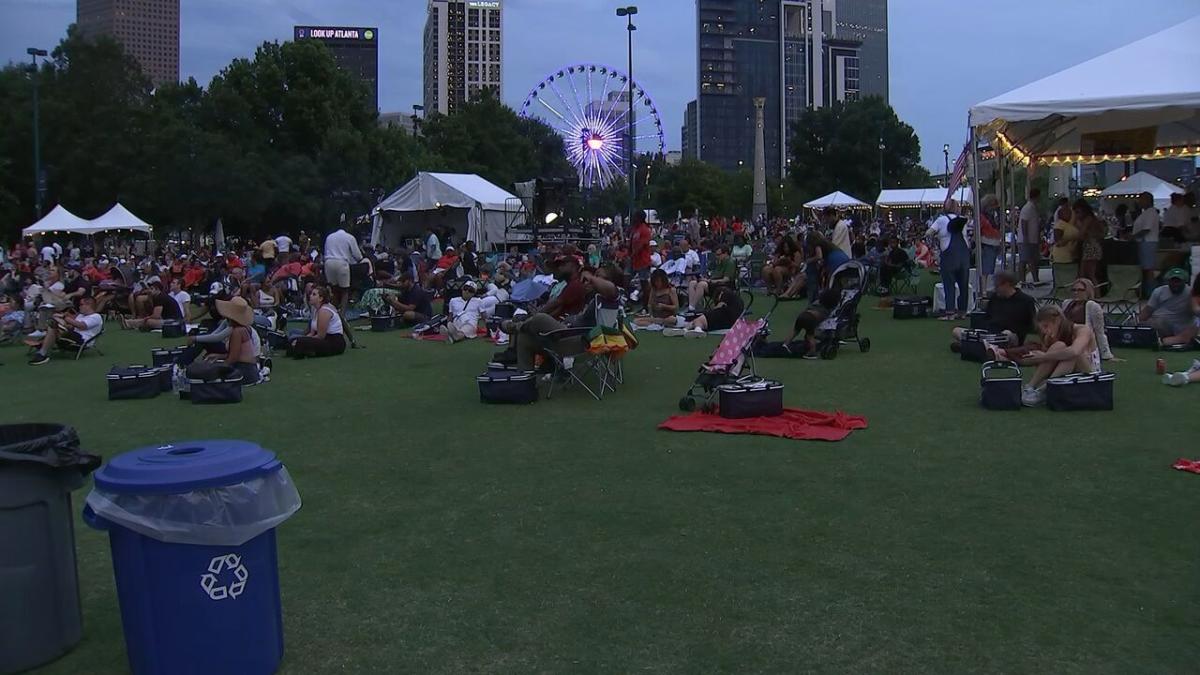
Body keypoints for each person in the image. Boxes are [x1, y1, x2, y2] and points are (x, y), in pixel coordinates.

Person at [500, 265, 620, 372]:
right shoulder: (591, 296)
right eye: (595, 275)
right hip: (567, 336)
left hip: (582, 342)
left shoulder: (611, 298)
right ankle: (524, 382)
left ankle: (514, 326)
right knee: (525, 337)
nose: (591, 280)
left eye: (599, 277)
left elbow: (611, 288)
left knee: (540, 318)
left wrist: (591, 278)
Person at [992, 305, 1101, 406]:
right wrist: (1015, 357)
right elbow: (1043, 361)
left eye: (1046, 326)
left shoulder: (1082, 330)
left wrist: (1042, 356)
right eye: (1042, 328)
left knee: (1072, 354)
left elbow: (1075, 352)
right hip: (1068, 373)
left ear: (1057, 320)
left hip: (1091, 376)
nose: (1045, 331)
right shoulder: (1052, 336)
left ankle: (1044, 390)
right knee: (1059, 346)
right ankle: (1030, 387)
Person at [951, 271, 1036, 349]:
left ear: (1007, 284)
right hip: (990, 333)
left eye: (997, 286)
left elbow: (1030, 326)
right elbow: (987, 317)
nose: (995, 289)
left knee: (1006, 335)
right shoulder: (995, 298)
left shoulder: (1026, 301)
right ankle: (982, 345)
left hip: (1010, 335)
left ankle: (973, 345)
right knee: (956, 331)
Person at [26, 295, 103, 365]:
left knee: (53, 325)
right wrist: (60, 320)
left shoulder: (96, 316)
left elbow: (81, 326)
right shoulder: (81, 315)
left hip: (82, 340)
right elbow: (72, 327)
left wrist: (63, 317)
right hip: (73, 336)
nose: (79, 307)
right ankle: (43, 344)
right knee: (53, 323)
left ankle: (42, 349)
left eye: (81, 304)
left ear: (89, 305)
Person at [926, 201, 970, 320]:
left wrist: (937, 237)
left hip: (949, 254)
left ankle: (950, 312)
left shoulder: (941, 220)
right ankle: (962, 311)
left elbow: (928, 233)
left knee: (949, 284)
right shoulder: (962, 220)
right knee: (964, 285)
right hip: (964, 254)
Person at [1139, 268, 1197, 347]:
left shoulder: (1191, 293)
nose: (1175, 284)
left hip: (1177, 326)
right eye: (1173, 281)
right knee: (1134, 324)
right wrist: (1137, 323)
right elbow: (1148, 310)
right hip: (1157, 321)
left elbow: (1195, 310)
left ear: (1185, 281)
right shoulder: (1158, 291)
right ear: (1168, 281)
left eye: (1178, 281)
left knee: (1158, 323)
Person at [777, 287, 842, 359]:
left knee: (795, 330)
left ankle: (786, 344)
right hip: (810, 319)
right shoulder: (827, 310)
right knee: (810, 336)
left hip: (803, 315)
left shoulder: (817, 303)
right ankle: (812, 352)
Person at [1061, 278, 1115, 361]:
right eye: (1074, 290)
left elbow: (1099, 332)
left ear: (1088, 291)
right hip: (1066, 339)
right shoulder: (1066, 303)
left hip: (1083, 341)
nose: (1076, 293)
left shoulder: (1092, 306)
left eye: (1080, 290)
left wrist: (1107, 355)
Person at [211, 296, 261, 383]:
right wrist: (219, 356)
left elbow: (233, 358)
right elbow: (238, 355)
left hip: (244, 371)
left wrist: (218, 366)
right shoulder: (242, 329)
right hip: (248, 369)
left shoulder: (237, 332)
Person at [664, 284, 743, 338]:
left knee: (700, 319)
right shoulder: (735, 299)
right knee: (698, 320)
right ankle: (686, 329)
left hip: (725, 317)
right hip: (730, 321)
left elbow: (719, 307)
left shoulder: (725, 294)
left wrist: (708, 312)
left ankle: (697, 329)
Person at [288, 286, 346, 358]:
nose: (310, 296)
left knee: (299, 342)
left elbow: (320, 336)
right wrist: (303, 338)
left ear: (321, 298)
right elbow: (312, 333)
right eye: (311, 294)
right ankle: (308, 351)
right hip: (324, 339)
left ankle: (307, 351)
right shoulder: (315, 309)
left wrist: (302, 340)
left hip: (333, 341)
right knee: (294, 340)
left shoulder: (324, 311)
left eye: (314, 294)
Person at [323, 225, 365, 314]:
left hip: (329, 262)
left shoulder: (330, 237)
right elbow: (358, 256)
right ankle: (342, 315)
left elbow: (326, 251)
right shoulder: (350, 237)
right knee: (345, 291)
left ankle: (331, 312)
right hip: (342, 263)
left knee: (333, 289)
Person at [687, 245, 736, 312]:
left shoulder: (730, 263)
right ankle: (692, 305)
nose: (716, 257)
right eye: (716, 255)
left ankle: (691, 308)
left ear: (726, 253)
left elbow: (726, 279)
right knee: (692, 283)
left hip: (723, 286)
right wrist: (706, 278)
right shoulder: (719, 262)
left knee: (702, 284)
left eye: (718, 255)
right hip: (713, 283)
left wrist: (709, 281)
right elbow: (714, 275)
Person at [1131, 191, 1160, 295]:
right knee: (1146, 268)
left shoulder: (1151, 213)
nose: (1139, 202)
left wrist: (1132, 237)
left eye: (1141, 199)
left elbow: (1146, 229)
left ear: (1147, 200)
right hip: (1144, 243)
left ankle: (1151, 292)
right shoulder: (1146, 213)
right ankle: (1146, 291)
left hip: (1147, 242)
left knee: (1148, 269)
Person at [1073, 199, 1105, 285]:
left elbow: (1081, 235)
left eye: (1078, 212)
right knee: (1087, 274)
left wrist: (1078, 225)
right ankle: (1093, 293)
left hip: (1091, 247)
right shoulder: (1092, 219)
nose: (1077, 215)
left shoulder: (1088, 219)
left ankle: (1095, 294)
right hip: (1091, 246)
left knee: (1088, 274)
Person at [977, 194, 1003, 294]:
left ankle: (989, 288)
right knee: (986, 269)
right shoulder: (982, 217)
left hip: (995, 243)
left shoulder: (993, 216)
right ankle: (983, 290)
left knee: (991, 267)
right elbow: (978, 231)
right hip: (987, 244)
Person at [1018, 188, 1042, 284]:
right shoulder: (1028, 208)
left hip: (1033, 239)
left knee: (1034, 259)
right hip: (1026, 239)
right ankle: (1022, 280)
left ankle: (1035, 278)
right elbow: (1024, 222)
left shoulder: (1033, 207)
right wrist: (1025, 237)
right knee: (1024, 259)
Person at [1050, 197, 1080, 265]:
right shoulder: (1059, 225)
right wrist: (1071, 239)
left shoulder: (1071, 221)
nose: (1068, 212)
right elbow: (1058, 242)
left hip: (1072, 254)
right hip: (1063, 256)